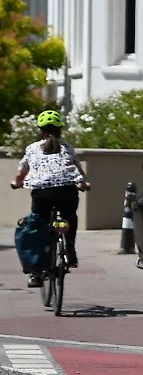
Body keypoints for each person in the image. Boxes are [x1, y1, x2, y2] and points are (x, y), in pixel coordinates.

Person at [10, 110, 91, 286]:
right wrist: (84, 184)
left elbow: (20, 174)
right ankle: (69, 247)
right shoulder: (67, 147)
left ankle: (36, 273)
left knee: (38, 226)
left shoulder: (32, 148)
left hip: (42, 195)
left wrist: (16, 184)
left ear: (41, 130)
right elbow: (78, 171)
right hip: (67, 192)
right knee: (70, 217)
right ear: (59, 129)